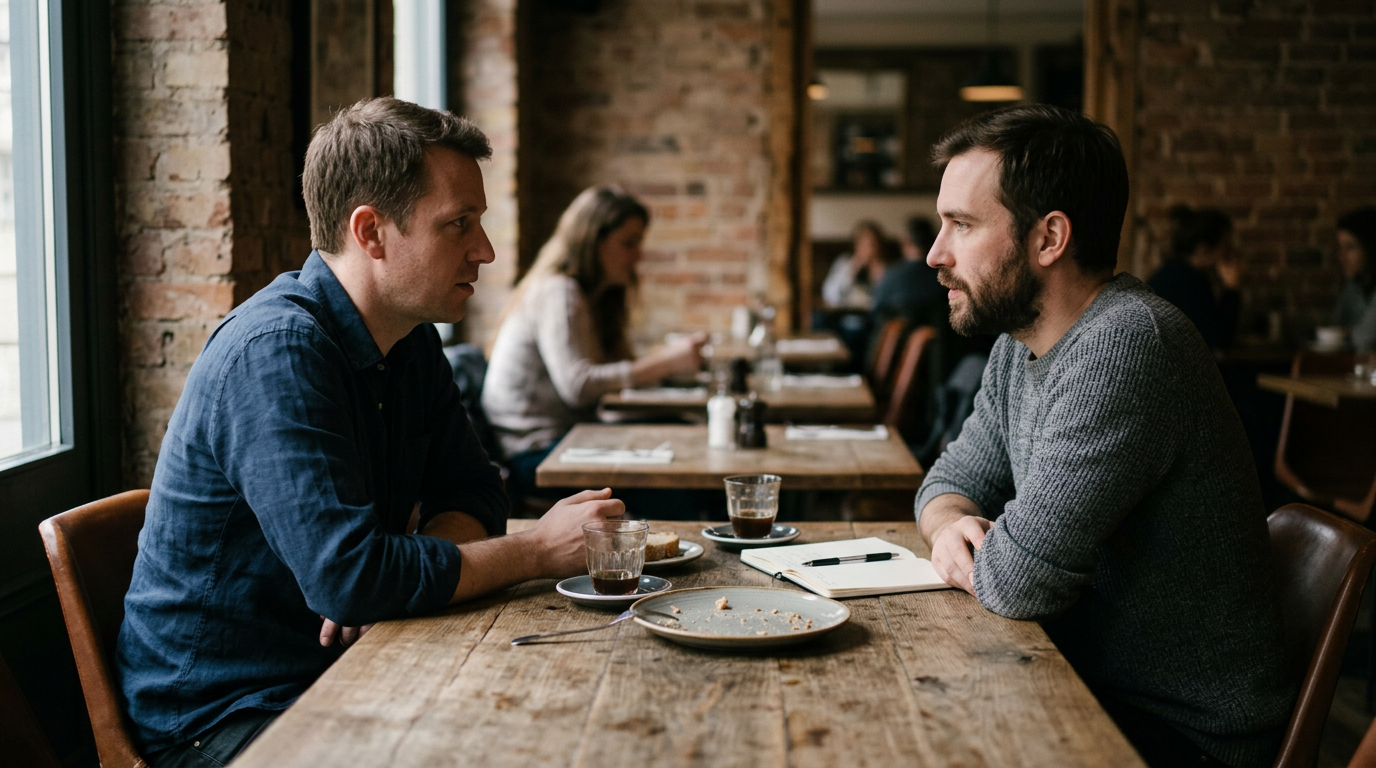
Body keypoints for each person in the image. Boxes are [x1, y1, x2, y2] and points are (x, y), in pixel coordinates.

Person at [115, 98, 627, 767]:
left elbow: (474, 491)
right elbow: (351, 580)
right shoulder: (276, 352)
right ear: (371, 231)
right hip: (226, 719)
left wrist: (393, 581)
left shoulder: (410, 340)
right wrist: (534, 551)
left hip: (347, 670)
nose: (487, 251)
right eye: (459, 224)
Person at [915, 104, 1294, 768]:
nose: (934, 254)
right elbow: (947, 483)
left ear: (1049, 238)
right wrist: (951, 527)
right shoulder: (1020, 344)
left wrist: (976, 542)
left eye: (962, 226)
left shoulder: (1127, 345)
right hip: (1073, 682)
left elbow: (1017, 581)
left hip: (1175, 735)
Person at [482, 186, 704, 494]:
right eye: (629, 243)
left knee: (682, 435)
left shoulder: (594, 297)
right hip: (536, 452)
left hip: (577, 439)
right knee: (669, 483)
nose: (639, 255)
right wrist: (664, 363)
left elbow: (614, 378)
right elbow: (579, 387)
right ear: (591, 241)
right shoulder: (558, 292)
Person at [1148, 205, 1241, 348]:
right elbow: (1218, 339)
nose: (1230, 253)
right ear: (1203, 250)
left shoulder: (1170, 274)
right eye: (1226, 247)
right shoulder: (1188, 282)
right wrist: (1231, 289)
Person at [1329, 207, 1376, 352]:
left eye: (1350, 248)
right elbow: (1334, 329)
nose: (1341, 257)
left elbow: (1365, 340)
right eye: (1340, 248)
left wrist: (1347, 334)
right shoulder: (1354, 286)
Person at [820, 220, 894, 308]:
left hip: (877, 314)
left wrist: (880, 274)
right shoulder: (844, 263)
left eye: (873, 244)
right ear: (856, 244)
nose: (868, 249)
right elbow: (829, 296)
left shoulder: (889, 268)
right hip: (848, 313)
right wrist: (852, 269)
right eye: (864, 244)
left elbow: (891, 299)